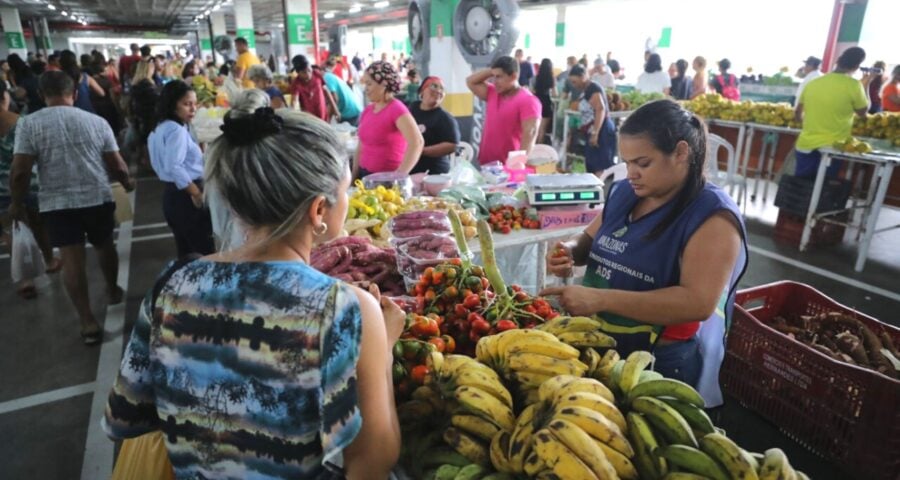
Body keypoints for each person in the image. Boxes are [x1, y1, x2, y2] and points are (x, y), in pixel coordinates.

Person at [103, 91, 404, 479]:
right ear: (318, 210)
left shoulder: (171, 285)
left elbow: (123, 419)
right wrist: (384, 355)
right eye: (345, 189)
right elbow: (372, 463)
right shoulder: (346, 309)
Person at [541, 99, 747, 407]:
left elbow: (698, 302)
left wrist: (599, 299)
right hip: (601, 343)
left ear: (680, 152)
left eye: (643, 163)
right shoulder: (626, 191)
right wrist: (569, 250)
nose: (632, 173)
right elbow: (589, 239)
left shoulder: (712, 216)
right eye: (626, 163)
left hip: (658, 362)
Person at [10, 71, 132, 345]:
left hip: (57, 203)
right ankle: (112, 291)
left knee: (72, 259)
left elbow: (20, 172)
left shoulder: (29, 124)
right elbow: (117, 164)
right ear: (74, 94)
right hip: (97, 196)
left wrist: (17, 204)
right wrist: (127, 182)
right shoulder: (96, 121)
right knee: (105, 246)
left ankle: (88, 322)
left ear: (42, 96)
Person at [0, 79, 60, 299]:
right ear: (4, 96)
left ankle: (25, 279)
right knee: (38, 222)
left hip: (1, 191)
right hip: (30, 182)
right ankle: (49, 259)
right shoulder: (22, 123)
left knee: (10, 230)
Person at [148, 80, 214, 257]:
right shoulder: (176, 130)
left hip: (172, 196)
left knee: (186, 252)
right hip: (187, 196)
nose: (193, 109)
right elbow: (174, 166)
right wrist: (196, 194)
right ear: (172, 105)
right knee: (205, 252)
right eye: (186, 104)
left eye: (194, 104)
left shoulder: (159, 127)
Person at [794, 47, 869, 179]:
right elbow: (863, 112)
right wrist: (867, 83)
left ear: (838, 61)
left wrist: (808, 125)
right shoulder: (854, 85)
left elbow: (797, 113)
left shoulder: (813, 83)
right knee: (823, 189)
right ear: (857, 66)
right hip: (833, 148)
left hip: (806, 144)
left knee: (801, 188)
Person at [467, 56, 541, 165]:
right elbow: (470, 82)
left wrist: (517, 165)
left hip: (508, 168)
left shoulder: (528, 100)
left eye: (499, 77)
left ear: (513, 76)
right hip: (486, 165)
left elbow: (530, 133)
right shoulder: (493, 93)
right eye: (494, 76)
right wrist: (491, 71)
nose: (494, 81)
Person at [355, 61, 424, 178]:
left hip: (386, 179)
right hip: (364, 175)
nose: (366, 89)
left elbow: (417, 143)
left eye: (369, 84)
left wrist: (398, 177)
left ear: (383, 84)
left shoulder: (397, 109)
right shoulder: (368, 110)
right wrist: (353, 176)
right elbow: (361, 146)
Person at [568, 65, 617, 176]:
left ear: (583, 77)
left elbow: (600, 109)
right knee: (592, 165)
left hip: (601, 129)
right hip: (594, 129)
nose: (573, 85)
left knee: (600, 166)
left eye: (575, 82)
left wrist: (595, 133)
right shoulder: (586, 90)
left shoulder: (593, 88)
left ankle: (601, 191)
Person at [409, 76, 460, 175]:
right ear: (422, 91)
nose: (438, 91)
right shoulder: (412, 108)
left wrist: (421, 150)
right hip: (410, 167)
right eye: (434, 86)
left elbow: (452, 145)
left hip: (434, 172)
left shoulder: (445, 118)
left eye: (442, 89)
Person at [290, 55, 337, 121]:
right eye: (304, 72)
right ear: (298, 73)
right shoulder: (296, 83)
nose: (308, 74)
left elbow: (326, 90)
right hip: (309, 120)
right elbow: (294, 101)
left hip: (323, 115)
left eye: (309, 70)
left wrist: (335, 110)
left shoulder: (317, 74)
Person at [59, 50, 105, 114]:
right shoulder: (84, 77)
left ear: (60, 63)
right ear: (75, 61)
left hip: (68, 114)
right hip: (88, 113)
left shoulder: (58, 79)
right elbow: (101, 93)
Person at [324, 58, 363, 125]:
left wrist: (328, 120)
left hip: (351, 112)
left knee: (350, 134)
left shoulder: (327, 77)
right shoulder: (329, 76)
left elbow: (335, 99)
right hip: (349, 110)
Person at [533, 58, 556, 145]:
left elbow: (532, 91)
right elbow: (554, 93)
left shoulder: (536, 77)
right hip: (546, 102)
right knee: (542, 129)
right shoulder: (551, 78)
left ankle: (532, 147)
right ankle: (539, 148)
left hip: (536, 102)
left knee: (535, 127)